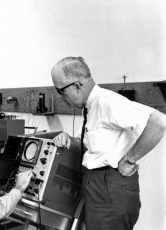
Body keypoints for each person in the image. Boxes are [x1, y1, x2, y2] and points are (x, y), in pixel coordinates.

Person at [51, 57, 166, 230]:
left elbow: (158, 122)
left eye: (61, 91)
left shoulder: (107, 102)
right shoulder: (91, 107)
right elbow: (94, 144)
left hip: (109, 188)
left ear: (77, 85)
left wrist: (129, 160)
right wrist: (68, 137)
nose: (62, 97)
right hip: (97, 187)